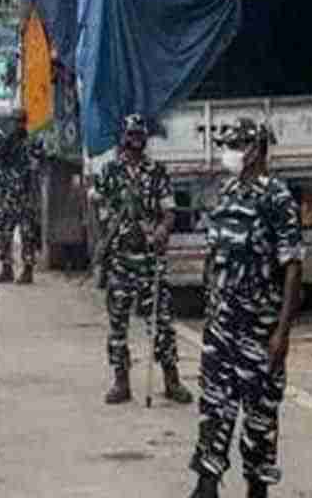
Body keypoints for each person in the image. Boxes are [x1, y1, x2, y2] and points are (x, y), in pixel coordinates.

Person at [188, 118, 302, 498]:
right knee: (214, 408)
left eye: (236, 144)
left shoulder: (278, 198)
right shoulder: (227, 192)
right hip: (221, 327)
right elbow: (214, 256)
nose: (229, 152)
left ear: (255, 149)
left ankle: (257, 487)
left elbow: (292, 266)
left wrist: (282, 333)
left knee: (259, 417)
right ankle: (207, 483)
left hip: (260, 327)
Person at [92, 114, 194, 406]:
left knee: (161, 322)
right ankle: (121, 382)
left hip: (150, 259)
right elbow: (96, 202)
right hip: (121, 259)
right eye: (131, 135)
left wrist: (163, 229)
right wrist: (104, 235)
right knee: (118, 323)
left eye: (140, 135)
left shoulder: (157, 172)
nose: (135, 140)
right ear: (123, 138)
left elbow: (169, 210)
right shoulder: (110, 172)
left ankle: (171, 380)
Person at [0, 109, 44, 284]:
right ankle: (7, 268)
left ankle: (27, 269)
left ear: (24, 122)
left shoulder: (31, 143)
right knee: (4, 232)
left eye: (19, 121)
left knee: (27, 234)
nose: (16, 124)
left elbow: (37, 165)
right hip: (8, 195)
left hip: (24, 196)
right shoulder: (6, 143)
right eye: (14, 121)